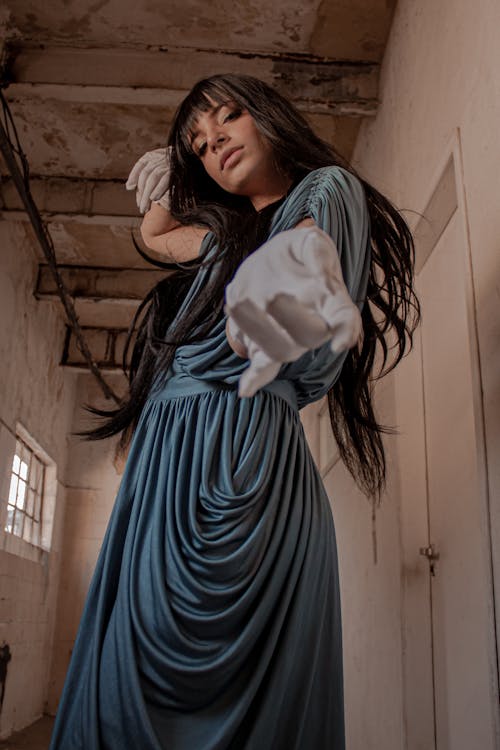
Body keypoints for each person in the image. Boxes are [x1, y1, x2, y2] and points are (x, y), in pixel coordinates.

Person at [49, 74, 419, 749]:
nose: (213, 140)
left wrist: (284, 285)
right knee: (124, 680)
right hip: (166, 471)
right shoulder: (231, 234)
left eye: (227, 118)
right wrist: (171, 182)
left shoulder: (324, 191)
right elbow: (160, 241)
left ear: (270, 118)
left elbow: (303, 272)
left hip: (239, 465)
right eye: (197, 140)